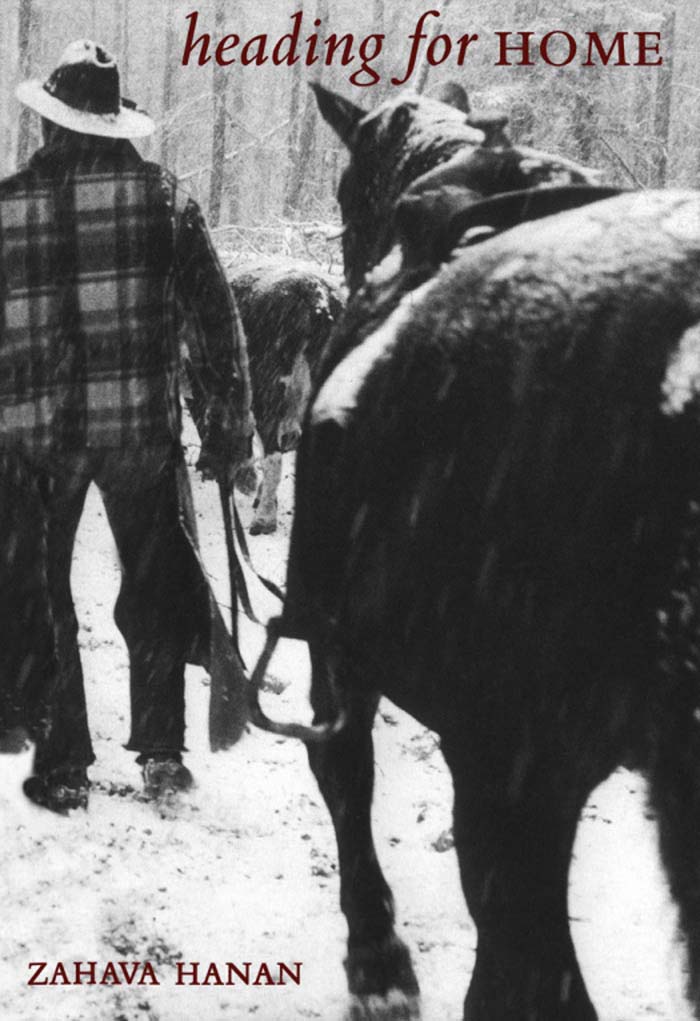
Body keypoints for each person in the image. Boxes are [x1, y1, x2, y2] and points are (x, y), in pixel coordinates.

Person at [1, 40, 254, 813]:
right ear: (113, 126)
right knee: (153, 586)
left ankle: (65, 759)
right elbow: (218, 320)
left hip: (35, 438)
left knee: (45, 597)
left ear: (49, 124)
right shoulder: (164, 199)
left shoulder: (5, 205)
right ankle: (162, 756)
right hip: (139, 429)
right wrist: (228, 421)